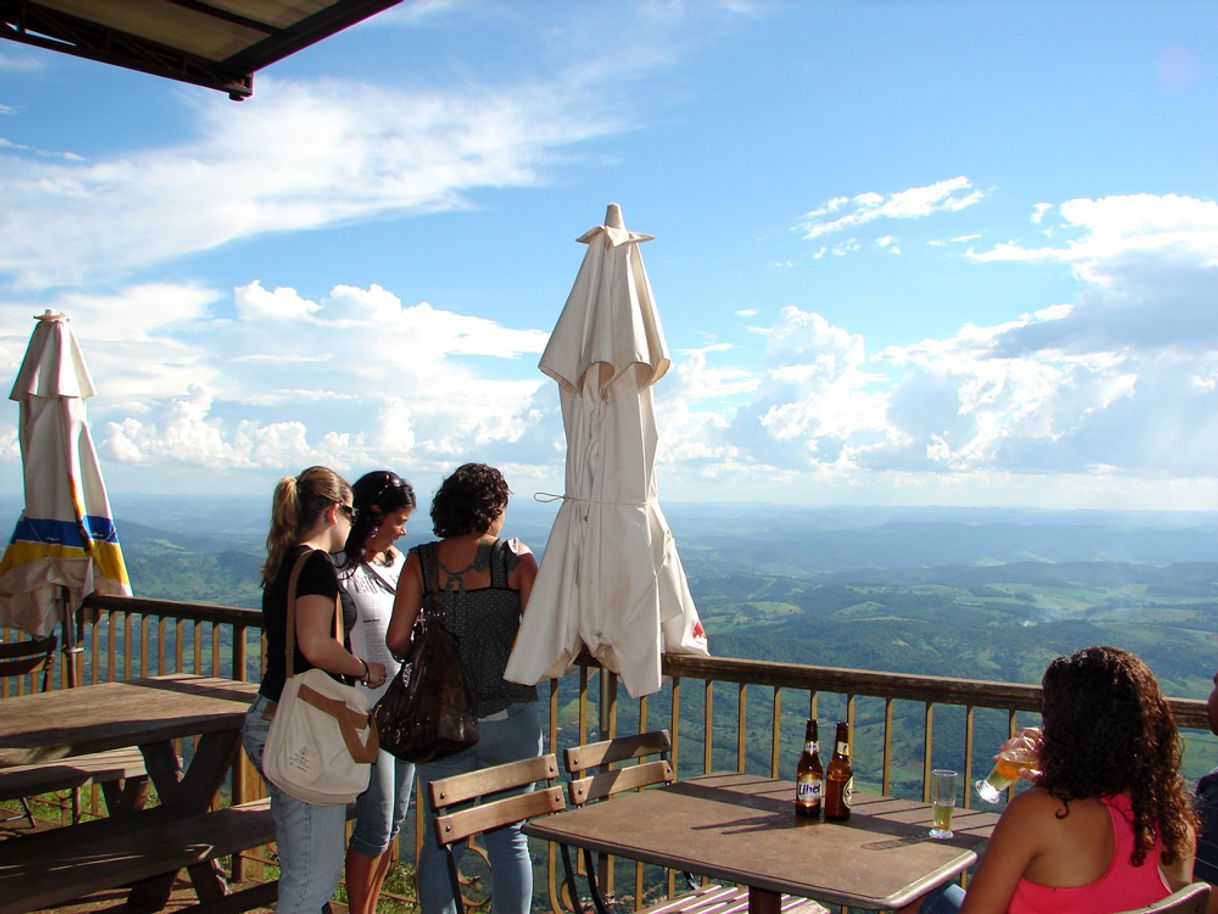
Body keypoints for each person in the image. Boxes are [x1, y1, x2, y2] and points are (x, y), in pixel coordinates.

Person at [901, 645, 1198, 914]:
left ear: (1066, 729)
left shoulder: (1039, 813)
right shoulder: (1175, 823)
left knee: (914, 897)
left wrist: (1053, 781)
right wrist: (1060, 771)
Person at [386, 463, 542, 914]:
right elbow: (538, 639)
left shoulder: (420, 561)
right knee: (509, 837)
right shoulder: (515, 557)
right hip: (509, 714)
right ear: (493, 508)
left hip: (441, 719)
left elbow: (397, 641)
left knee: (442, 835)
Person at [242, 466, 389, 914]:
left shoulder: (286, 560)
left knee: (300, 864)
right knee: (312, 881)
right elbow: (315, 645)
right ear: (332, 512)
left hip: (273, 714)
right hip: (300, 726)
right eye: (351, 512)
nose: (353, 523)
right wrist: (366, 669)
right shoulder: (316, 567)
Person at [337, 471, 418, 914]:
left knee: (394, 823)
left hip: (403, 706)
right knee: (375, 823)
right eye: (398, 519)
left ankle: (367, 906)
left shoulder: (399, 562)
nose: (403, 529)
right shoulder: (339, 569)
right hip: (364, 711)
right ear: (373, 514)